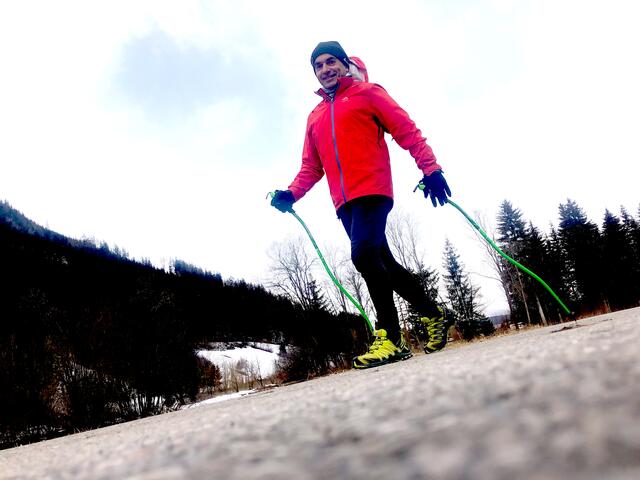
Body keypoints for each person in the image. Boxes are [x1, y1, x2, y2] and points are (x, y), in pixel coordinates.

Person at [271, 41, 452, 369]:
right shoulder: (315, 117)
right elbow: (312, 167)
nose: (325, 69)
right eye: (318, 66)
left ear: (343, 64)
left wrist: (432, 169)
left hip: (373, 189)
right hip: (344, 203)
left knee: (364, 255)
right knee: (385, 264)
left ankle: (390, 338)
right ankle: (434, 314)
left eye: (330, 62)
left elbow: (406, 130)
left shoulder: (367, 93)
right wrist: (291, 194)